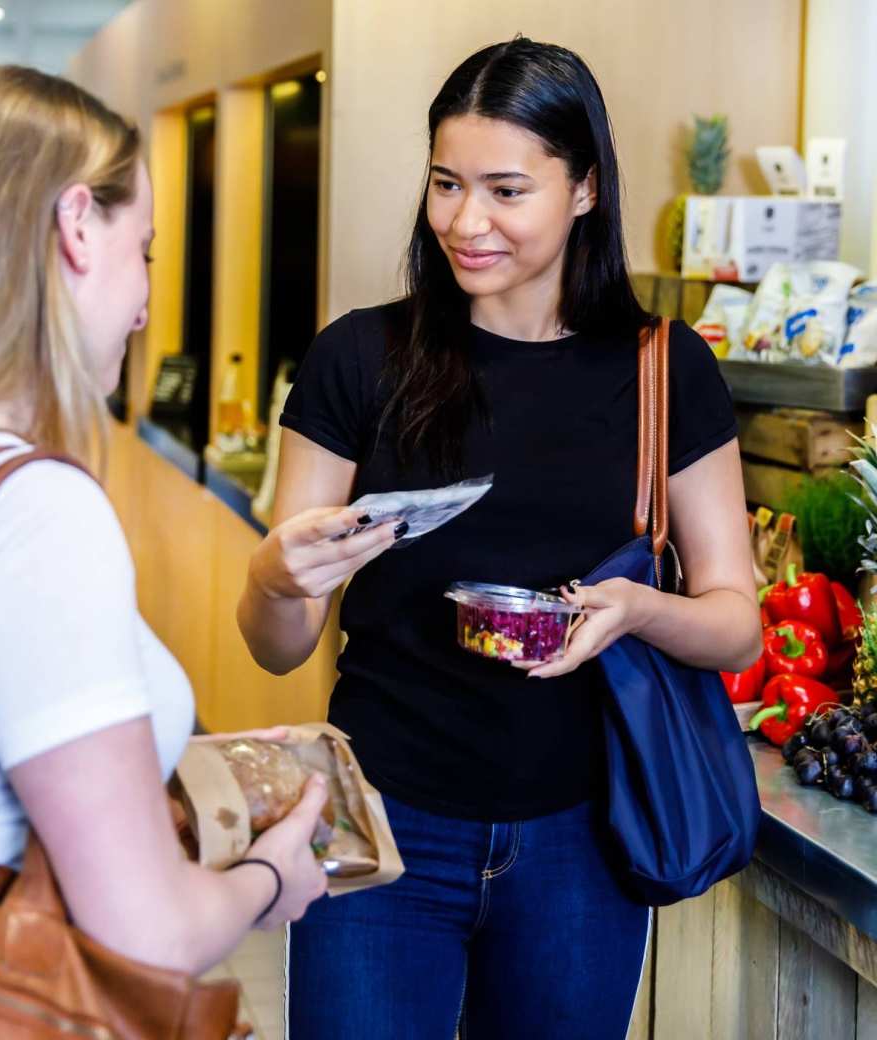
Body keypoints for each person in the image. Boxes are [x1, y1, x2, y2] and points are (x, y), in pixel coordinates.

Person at [238, 38, 761, 1039]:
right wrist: (272, 574)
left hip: (580, 838)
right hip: (381, 824)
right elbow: (279, 640)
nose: (463, 221)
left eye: (504, 189)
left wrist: (637, 611)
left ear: (582, 189)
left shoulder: (664, 368)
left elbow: (736, 624)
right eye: (444, 183)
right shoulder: (358, 357)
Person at [0, 64, 327, 977]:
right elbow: (148, 930)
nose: (146, 302)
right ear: (74, 227)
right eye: (143, 248)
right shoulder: (31, 513)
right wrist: (272, 871)